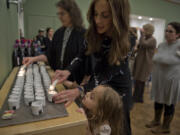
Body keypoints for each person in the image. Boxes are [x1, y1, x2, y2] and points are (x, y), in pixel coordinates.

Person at [52, 0, 132, 134]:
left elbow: (106, 74)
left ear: (118, 16)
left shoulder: (129, 39)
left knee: (117, 127)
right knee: (96, 125)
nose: (97, 20)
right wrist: (68, 70)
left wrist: (80, 89)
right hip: (97, 85)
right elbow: (81, 55)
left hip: (117, 92)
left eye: (105, 16)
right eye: (95, 14)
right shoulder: (94, 33)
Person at [23, 0, 88, 84]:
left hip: (74, 82)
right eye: (59, 14)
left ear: (72, 13)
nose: (60, 17)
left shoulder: (83, 33)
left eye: (63, 13)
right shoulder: (58, 33)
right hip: (59, 79)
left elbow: (83, 60)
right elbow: (50, 55)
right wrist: (33, 59)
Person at [146, 22, 180, 134]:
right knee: (158, 100)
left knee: (168, 103)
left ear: (178, 34)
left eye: (171, 31)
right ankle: (156, 120)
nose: (167, 33)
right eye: (166, 30)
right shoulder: (161, 45)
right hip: (159, 79)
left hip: (171, 80)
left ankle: (166, 127)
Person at [133, 24, 157, 103]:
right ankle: (136, 96)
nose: (142, 30)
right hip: (140, 61)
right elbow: (140, 47)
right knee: (137, 80)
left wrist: (141, 35)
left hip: (145, 63)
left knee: (141, 80)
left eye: (144, 29)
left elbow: (144, 44)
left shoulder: (152, 39)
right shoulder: (145, 38)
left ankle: (139, 98)